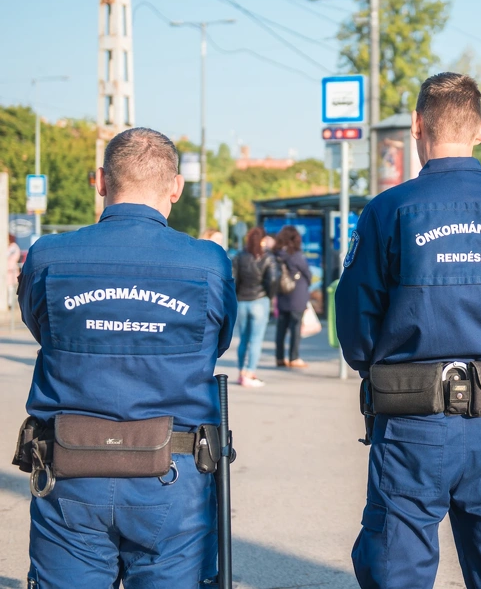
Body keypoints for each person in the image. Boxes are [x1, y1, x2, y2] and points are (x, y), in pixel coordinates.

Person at [336, 72, 481, 589]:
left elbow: (356, 327)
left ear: (418, 126)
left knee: (396, 572)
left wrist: (382, 366)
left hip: (410, 425)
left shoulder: (388, 211)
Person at [15, 127, 237, 587]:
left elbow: (41, 328)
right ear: (175, 186)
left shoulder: (48, 257)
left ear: (99, 181)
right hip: (172, 478)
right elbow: (216, 343)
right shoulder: (207, 263)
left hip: (71, 472)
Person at [232, 226, 279, 387]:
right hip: (260, 300)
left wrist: (237, 295)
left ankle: (240, 372)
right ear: (262, 239)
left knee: (243, 339)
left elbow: (233, 279)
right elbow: (273, 280)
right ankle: (250, 372)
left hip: (242, 301)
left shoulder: (239, 256)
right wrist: (269, 296)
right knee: (256, 340)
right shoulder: (268, 258)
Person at [274, 225, 312, 368]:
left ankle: (279, 358)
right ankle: (294, 358)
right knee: (295, 327)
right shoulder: (295, 255)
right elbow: (307, 273)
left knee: (281, 328)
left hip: (282, 294)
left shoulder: (277, 254)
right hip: (297, 295)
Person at [7, 233, 20, 308]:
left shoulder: (13, 247)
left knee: (11, 288)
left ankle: (11, 303)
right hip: (9, 270)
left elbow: (7, 255)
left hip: (11, 269)